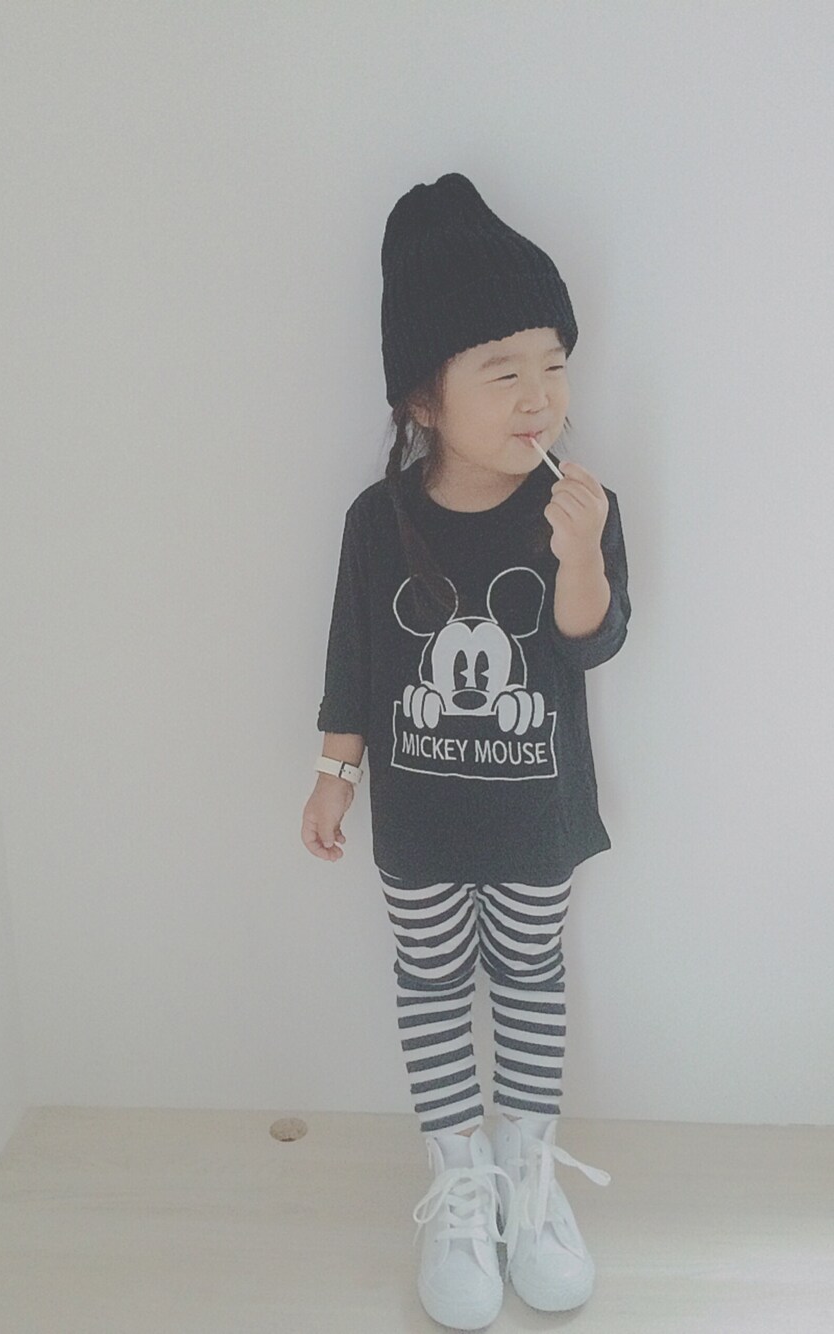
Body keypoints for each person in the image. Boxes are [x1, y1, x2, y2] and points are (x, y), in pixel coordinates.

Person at [300, 172, 630, 1330]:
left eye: (553, 364)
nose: (540, 395)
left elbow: (591, 642)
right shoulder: (376, 519)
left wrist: (579, 554)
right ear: (424, 399)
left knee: (530, 975)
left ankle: (527, 1176)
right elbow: (353, 658)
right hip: (421, 825)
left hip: (537, 816)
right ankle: (457, 1177)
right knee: (432, 980)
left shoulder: (578, 503)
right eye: (502, 370)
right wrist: (334, 772)